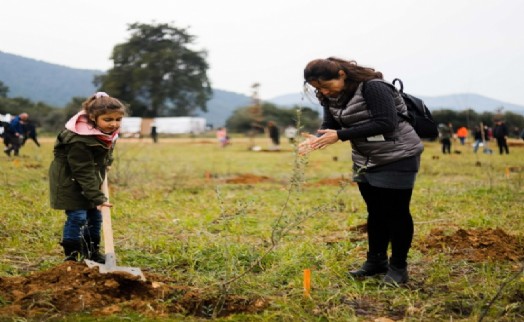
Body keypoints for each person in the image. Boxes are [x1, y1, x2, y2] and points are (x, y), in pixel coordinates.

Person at [299, 57, 424, 284]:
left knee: (396, 213)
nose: (324, 92)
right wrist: (317, 139)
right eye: (319, 89)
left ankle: (398, 268)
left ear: (341, 74)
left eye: (327, 86)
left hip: (398, 154)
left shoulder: (373, 87)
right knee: (375, 211)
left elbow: (386, 123)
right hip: (365, 158)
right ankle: (376, 261)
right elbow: (332, 127)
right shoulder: (330, 97)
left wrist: (340, 136)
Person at [49, 92, 126, 263]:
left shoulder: (106, 132)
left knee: (95, 217)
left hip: (90, 178)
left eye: (118, 119)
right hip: (70, 181)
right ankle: (72, 256)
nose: (114, 124)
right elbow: (81, 169)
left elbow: (108, 148)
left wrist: (108, 161)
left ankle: (91, 253)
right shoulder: (79, 139)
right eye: (108, 119)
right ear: (93, 117)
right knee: (78, 216)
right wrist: (97, 197)